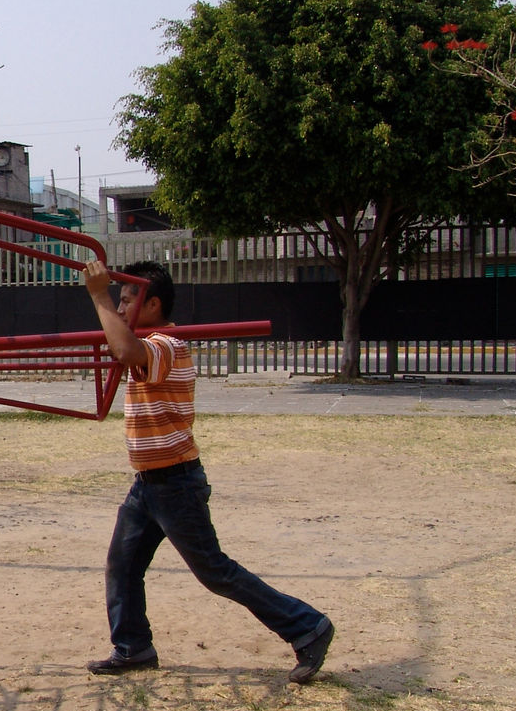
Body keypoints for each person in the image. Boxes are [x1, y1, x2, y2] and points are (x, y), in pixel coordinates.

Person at [81, 259, 334, 683]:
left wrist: (97, 294)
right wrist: (107, 302)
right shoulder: (149, 341)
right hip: (148, 483)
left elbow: (124, 350)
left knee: (215, 572)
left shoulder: (168, 344)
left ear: (153, 303)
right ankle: (133, 647)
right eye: (118, 302)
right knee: (122, 566)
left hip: (175, 482)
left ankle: (307, 626)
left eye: (127, 300)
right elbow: (119, 344)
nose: (121, 309)